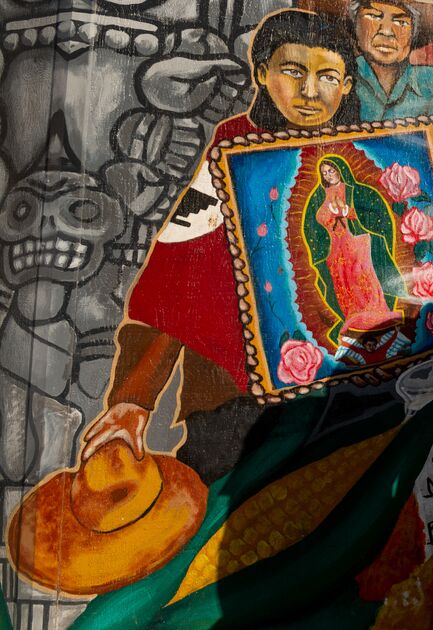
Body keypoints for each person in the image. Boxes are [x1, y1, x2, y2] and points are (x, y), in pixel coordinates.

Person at [78, 9, 360, 471]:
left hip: (337, 393)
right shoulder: (232, 153)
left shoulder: (362, 160)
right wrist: (133, 398)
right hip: (232, 396)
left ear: (347, 86)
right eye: (293, 71)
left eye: (328, 76)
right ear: (262, 73)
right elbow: (179, 272)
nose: (311, 92)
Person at [304, 156, 408, 348]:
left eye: (332, 171)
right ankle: (354, 322)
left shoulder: (357, 191)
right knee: (344, 285)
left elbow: (376, 215)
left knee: (364, 279)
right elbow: (312, 225)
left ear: (340, 170)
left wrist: (350, 213)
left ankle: (377, 318)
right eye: (325, 172)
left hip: (357, 244)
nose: (329, 175)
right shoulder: (318, 198)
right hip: (335, 251)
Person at [349, 0, 433, 121]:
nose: (387, 31)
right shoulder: (342, 73)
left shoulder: (429, 82)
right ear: (355, 26)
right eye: (373, 16)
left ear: (413, 34)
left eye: (401, 22)